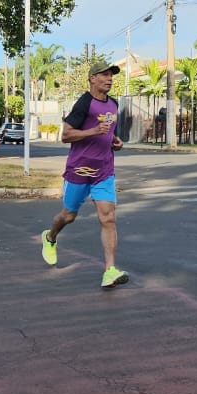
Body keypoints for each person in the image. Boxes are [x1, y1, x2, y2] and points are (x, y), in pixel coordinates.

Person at [40, 60, 130, 288]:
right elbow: (66, 135)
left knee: (108, 217)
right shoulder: (84, 103)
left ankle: (110, 270)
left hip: (104, 170)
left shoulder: (113, 104)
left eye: (111, 75)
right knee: (68, 216)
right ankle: (50, 237)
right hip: (79, 170)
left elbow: (109, 134)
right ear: (92, 78)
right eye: (104, 75)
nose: (109, 79)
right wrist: (92, 131)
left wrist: (115, 142)